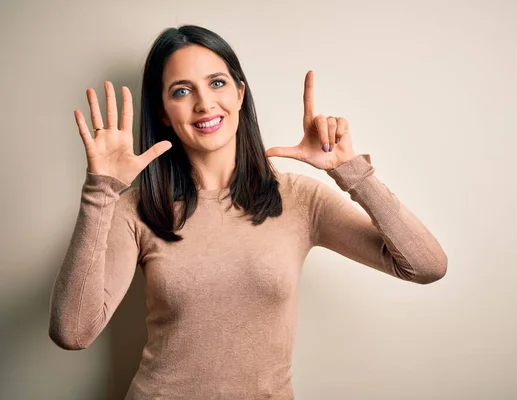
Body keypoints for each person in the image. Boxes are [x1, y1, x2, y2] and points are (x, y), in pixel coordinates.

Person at [48, 24, 447, 399]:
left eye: (217, 83)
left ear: (240, 93)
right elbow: (73, 332)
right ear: (164, 113)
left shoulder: (299, 200)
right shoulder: (136, 208)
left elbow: (426, 266)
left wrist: (351, 171)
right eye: (182, 91)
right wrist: (101, 191)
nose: (205, 104)